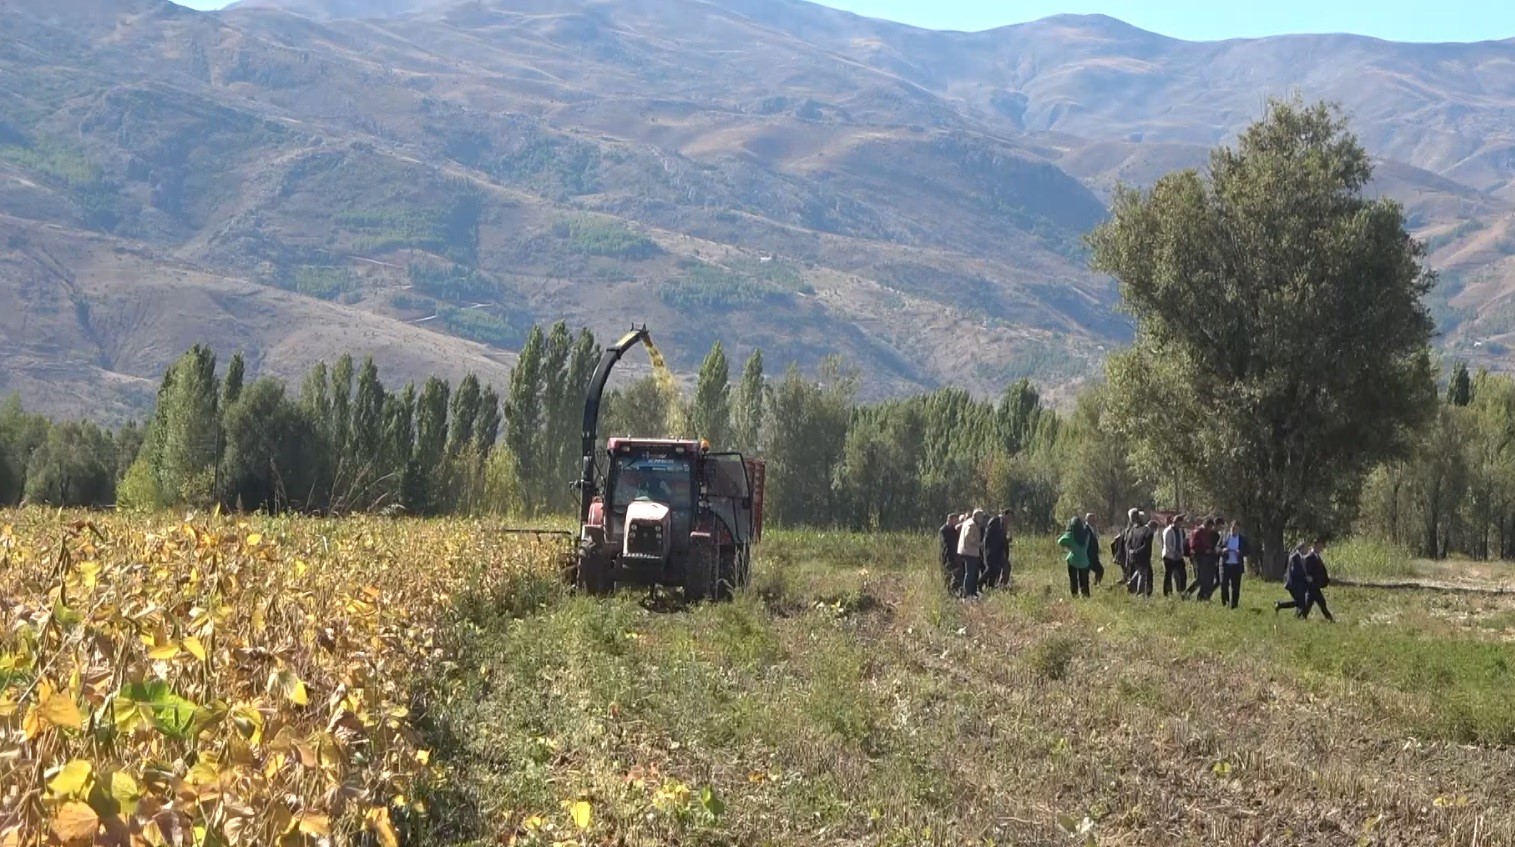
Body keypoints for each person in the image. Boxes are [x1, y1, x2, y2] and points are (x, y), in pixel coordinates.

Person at [1185, 517, 1219, 601]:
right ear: (1207, 525)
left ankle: (1201, 597)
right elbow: (1194, 545)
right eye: (1210, 527)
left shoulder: (1206, 532)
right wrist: (1205, 550)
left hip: (1204, 557)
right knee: (1200, 578)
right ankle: (1187, 593)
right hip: (1198, 556)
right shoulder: (1198, 531)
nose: (1211, 529)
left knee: (1203, 578)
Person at [1058, 516, 1093, 598]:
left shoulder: (1071, 536)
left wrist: (1068, 533)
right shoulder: (1086, 535)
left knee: (1073, 580)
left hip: (1073, 561)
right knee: (1084, 581)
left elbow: (1060, 541)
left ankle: (1075, 596)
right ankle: (1085, 596)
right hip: (1085, 561)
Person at [956, 509, 987, 599]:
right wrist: (979, 544)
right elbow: (969, 537)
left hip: (968, 551)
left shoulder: (968, 522)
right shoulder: (972, 524)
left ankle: (972, 592)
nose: (982, 519)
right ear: (975, 516)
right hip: (970, 552)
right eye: (980, 516)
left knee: (973, 572)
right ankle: (967, 594)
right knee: (970, 573)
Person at [1219, 520, 1249, 609]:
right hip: (1225, 565)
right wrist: (1222, 550)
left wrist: (1240, 552)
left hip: (1236, 566)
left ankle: (1234, 605)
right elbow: (1217, 547)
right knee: (1224, 585)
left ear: (1239, 529)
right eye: (1233, 528)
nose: (1234, 530)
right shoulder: (1224, 536)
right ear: (1230, 527)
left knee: (1235, 587)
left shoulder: (1242, 539)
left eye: (1236, 529)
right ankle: (1225, 603)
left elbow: (1248, 551)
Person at [1302, 540, 1335, 621]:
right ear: (1315, 546)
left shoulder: (1317, 556)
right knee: (1320, 602)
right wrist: (1310, 580)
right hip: (1312, 585)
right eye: (1320, 546)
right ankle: (1329, 618)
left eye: (1322, 546)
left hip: (1316, 584)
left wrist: (1326, 580)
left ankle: (1301, 616)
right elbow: (1306, 571)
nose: (1321, 548)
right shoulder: (1309, 557)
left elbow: (1321, 570)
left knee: (1311, 603)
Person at [1125, 512, 1156, 597]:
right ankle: (1139, 593)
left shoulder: (1133, 529)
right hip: (1143, 556)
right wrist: (1136, 551)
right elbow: (1146, 546)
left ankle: (1131, 583)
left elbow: (1128, 543)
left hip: (1134, 556)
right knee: (1142, 574)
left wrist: (1131, 551)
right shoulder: (1147, 531)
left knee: (1139, 571)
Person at [1276, 542, 1311, 616]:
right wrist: (1306, 577)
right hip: (1294, 584)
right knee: (1301, 603)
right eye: (1307, 548)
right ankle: (1299, 617)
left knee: (1299, 603)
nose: (1308, 550)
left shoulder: (1300, 557)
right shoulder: (1295, 557)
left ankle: (1280, 605)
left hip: (1298, 584)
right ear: (1301, 548)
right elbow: (1295, 572)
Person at [1161, 514, 1188, 597]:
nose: (1180, 525)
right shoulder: (1168, 531)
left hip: (1179, 557)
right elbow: (1168, 545)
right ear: (1175, 522)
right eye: (1179, 523)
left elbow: (1181, 542)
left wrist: (1181, 552)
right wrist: (1176, 552)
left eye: (1181, 524)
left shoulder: (1180, 530)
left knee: (1183, 574)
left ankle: (1182, 592)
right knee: (1168, 575)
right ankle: (1167, 593)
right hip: (1169, 556)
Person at [983, 509, 1009, 589]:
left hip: (998, 552)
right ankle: (980, 583)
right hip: (991, 551)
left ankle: (993, 585)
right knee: (990, 569)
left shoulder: (1003, 525)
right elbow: (990, 538)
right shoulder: (995, 521)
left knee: (997, 569)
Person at [939, 513, 961, 589]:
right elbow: (945, 544)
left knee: (957, 574)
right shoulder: (943, 530)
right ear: (950, 520)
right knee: (947, 576)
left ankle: (954, 590)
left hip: (955, 556)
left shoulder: (954, 530)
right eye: (955, 520)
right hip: (947, 556)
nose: (956, 522)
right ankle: (948, 592)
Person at [1084, 513, 1104, 585]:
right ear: (1088, 519)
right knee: (1100, 570)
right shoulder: (1086, 529)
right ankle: (1095, 585)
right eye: (1093, 519)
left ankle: (1095, 584)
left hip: (1093, 555)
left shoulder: (1092, 528)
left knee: (1098, 570)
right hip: (1089, 556)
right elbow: (1085, 543)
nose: (1095, 521)